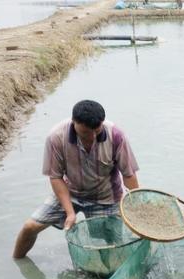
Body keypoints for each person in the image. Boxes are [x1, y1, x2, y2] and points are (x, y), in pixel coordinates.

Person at [13, 100, 139, 258]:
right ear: (74, 123)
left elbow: (128, 175)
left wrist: (137, 207)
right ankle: (17, 261)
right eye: (86, 133)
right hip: (70, 192)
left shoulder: (116, 136)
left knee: (113, 246)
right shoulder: (57, 137)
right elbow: (56, 177)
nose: (92, 137)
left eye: (96, 131)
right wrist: (70, 213)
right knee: (29, 227)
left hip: (106, 197)